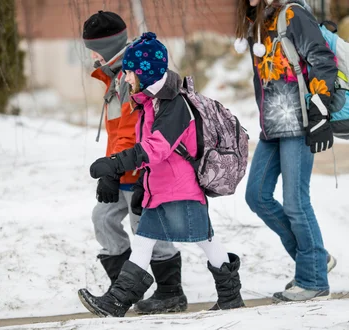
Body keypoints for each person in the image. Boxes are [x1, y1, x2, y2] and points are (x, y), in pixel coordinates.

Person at [78, 32, 245, 318]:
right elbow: (151, 157)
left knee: (205, 240)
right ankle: (117, 302)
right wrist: (143, 186)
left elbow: (156, 148)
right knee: (148, 242)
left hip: (180, 189)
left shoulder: (174, 104)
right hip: (162, 189)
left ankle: (229, 297)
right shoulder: (150, 103)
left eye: (129, 73)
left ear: (144, 72)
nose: (127, 79)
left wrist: (116, 164)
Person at [82, 11, 187, 314]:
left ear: (105, 47)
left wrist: (117, 169)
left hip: (141, 169)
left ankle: (170, 292)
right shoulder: (115, 77)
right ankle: (123, 288)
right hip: (121, 167)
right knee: (103, 218)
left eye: (93, 48)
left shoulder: (134, 75)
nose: (90, 55)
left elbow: (136, 133)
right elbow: (117, 132)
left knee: (148, 228)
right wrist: (111, 170)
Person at [235, 0, 337, 302]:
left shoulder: (291, 13)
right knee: (257, 196)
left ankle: (314, 279)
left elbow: (322, 59)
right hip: (272, 126)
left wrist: (319, 111)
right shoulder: (257, 21)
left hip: (299, 121)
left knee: (295, 203)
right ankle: (317, 259)